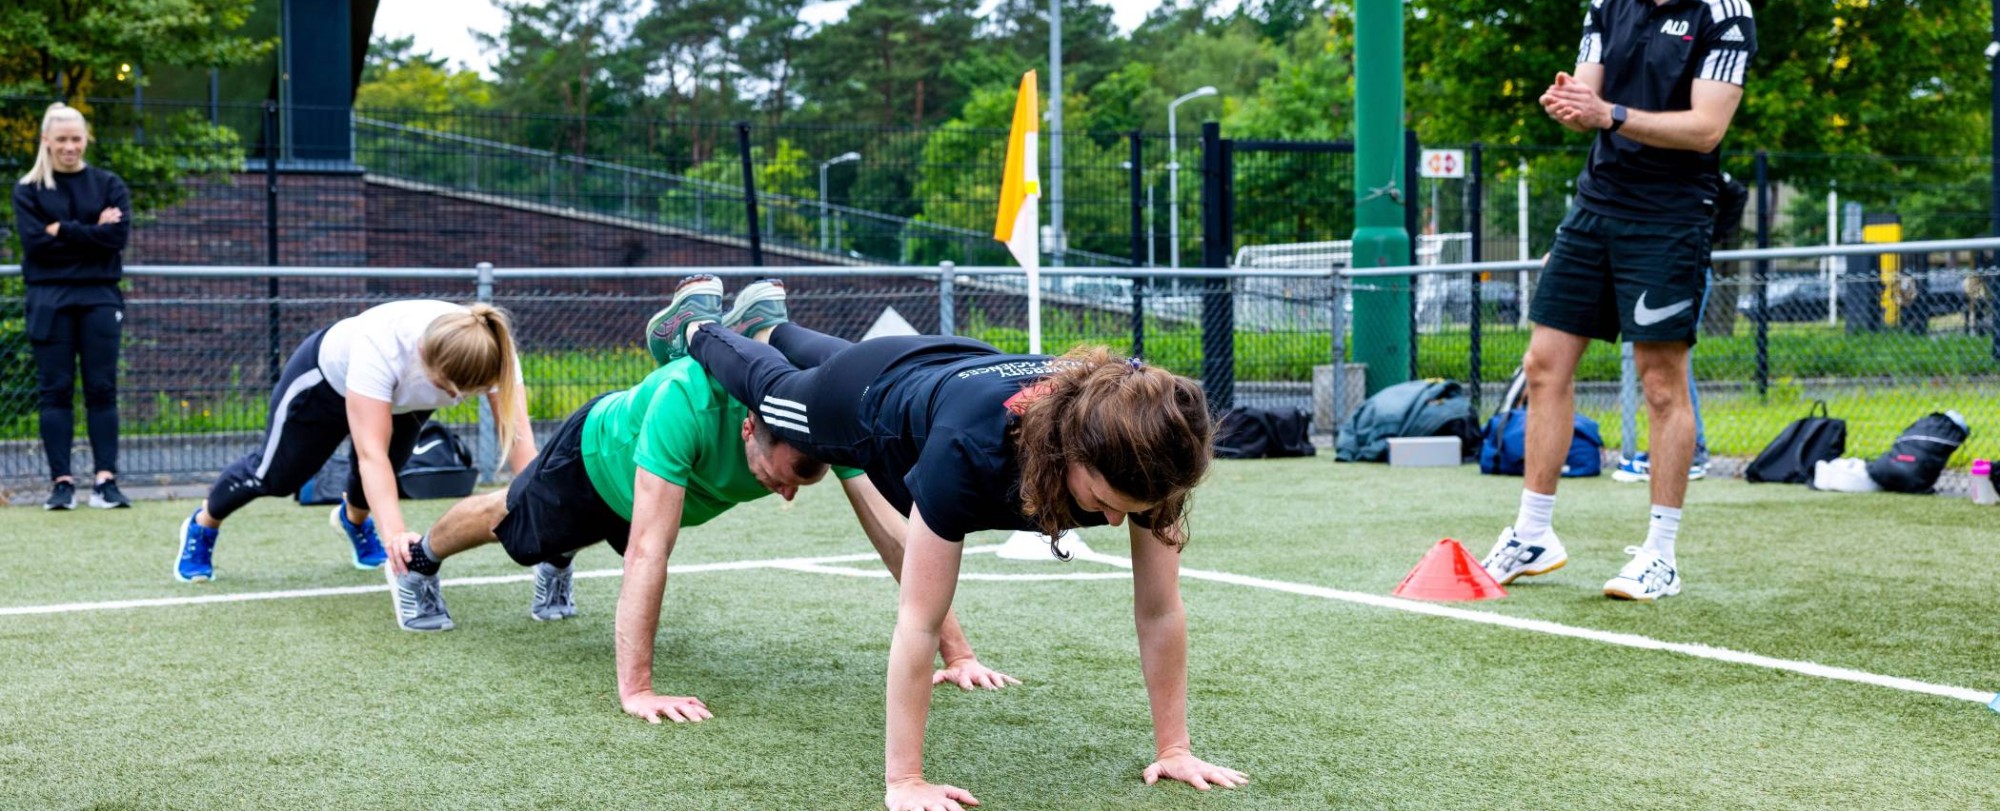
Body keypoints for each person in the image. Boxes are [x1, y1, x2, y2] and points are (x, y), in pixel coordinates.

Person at [650, 275, 1245, 811]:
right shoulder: (968, 453)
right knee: (779, 387)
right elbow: (918, 621)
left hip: (949, 365)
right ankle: (699, 327)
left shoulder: (1148, 450)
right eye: (1103, 504)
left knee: (836, 360)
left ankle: (768, 323)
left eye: (1131, 511)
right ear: (1071, 452)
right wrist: (905, 780)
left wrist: (1175, 747)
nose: (1117, 525)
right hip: (870, 402)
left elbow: (1160, 609)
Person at [385, 307, 1014, 723]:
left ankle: (561, 553)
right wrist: (638, 690)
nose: (792, 495)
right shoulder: (683, 402)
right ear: (749, 427)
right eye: (789, 476)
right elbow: (647, 551)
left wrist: (957, 656)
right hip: (593, 465)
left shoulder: (820, 423)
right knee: (512, 522)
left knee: (571, 539)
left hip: (651, 497)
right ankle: (420, 561)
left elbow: (896, 538)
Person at [1483, 0, 1756, 601]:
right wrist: (1571, 105)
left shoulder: (1725, 13)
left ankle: (1660, 555)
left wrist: (1606, 113)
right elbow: (1587, 100)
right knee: (1543, 364)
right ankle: (1532, 535)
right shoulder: (1607, 6)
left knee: (1661, 381)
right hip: (1595, 208)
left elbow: (1706, 128)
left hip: (1670, 216)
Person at [173, 300, 537, 583]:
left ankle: (354, 521)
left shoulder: (493, 355)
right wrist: (396, 535)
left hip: (402, 398)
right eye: (445, 389)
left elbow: (519, 437)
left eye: (463, 394)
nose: (454, 398)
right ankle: (203, 524)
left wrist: (539, 506)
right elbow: (369, 454)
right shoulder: (382, 347)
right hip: (323, 383)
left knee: (384, 479)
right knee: (277, 477)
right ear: (424, 354)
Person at [12, 102, 132, 510]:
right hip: (49, 300)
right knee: (55, 392)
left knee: (102, 390)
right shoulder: (28, 191)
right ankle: (61, 483)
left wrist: (61, 230)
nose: (69, 147)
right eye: (61, 139)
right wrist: (92, 231)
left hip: (100, 298)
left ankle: (106, 481)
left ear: (86, 139)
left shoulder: (109, 184)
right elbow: (35, 246)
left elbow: (115, 240)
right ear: (46, 141)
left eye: (76, 138)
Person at [1610, 173, 1746, 483]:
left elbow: (1737, 193)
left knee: (1672, 361)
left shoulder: (1692, 158)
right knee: (1662, 362)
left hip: (1683, 267)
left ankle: (1692, 453)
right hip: (1650, 269)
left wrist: (1709, 237)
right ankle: (1676, 450)